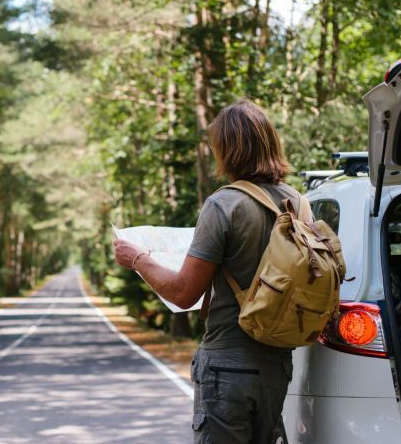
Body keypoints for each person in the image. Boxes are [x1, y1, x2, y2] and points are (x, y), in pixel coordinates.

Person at [113, 99, 308, 443]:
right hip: (277, 367)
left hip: (227, 367)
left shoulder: (224, 204)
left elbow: (184, 292)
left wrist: (138, 259)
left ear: (228, 151)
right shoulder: (297, 203)